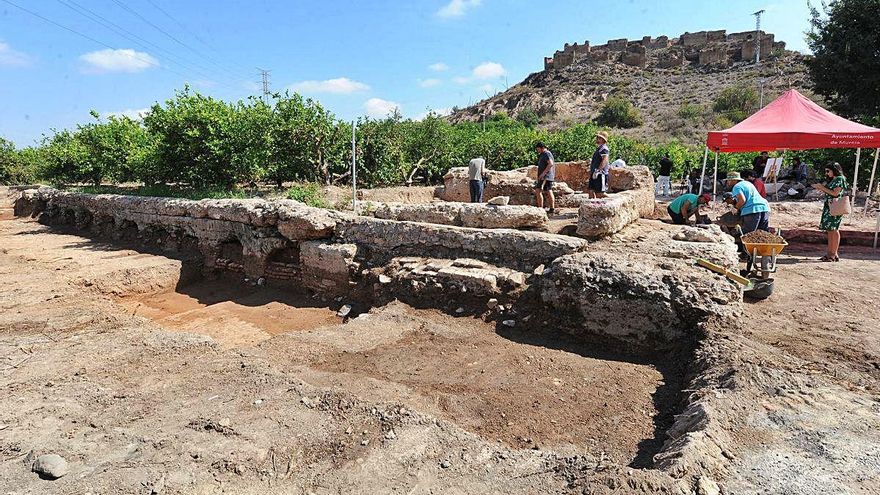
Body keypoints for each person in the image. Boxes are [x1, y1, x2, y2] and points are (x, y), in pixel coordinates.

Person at [811, 162, 849, 262]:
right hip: (830, 207)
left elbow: (835, 193)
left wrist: (822, 188)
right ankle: (831, 253)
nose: (826, 173)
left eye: (828, 171)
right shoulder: (835, 179)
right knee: (830, 230)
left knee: (834, 229)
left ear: (834, 170)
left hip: (834, 207)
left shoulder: (840, 179)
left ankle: (832, 254)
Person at [532, 142, 556, 213]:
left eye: (538, 149)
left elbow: (550, 164)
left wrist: (543, 174)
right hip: (547, 176)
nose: (537, 151)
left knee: (538, 190)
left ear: (541, 147)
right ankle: (551, 209)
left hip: (545, 176)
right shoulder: (544, 154)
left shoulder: (546, 153)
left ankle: (541, 209)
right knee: (548, 190)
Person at [588, 132, 610, 198]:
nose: (597, 139)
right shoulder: (599, 148)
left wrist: (598, 170)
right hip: (594, 172)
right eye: (597, 137)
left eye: (599, 138)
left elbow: (605, 160)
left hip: (600, 173)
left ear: (603, 139)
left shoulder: (604, 149)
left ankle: (612, 202)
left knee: (600, 193)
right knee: (591, 191)